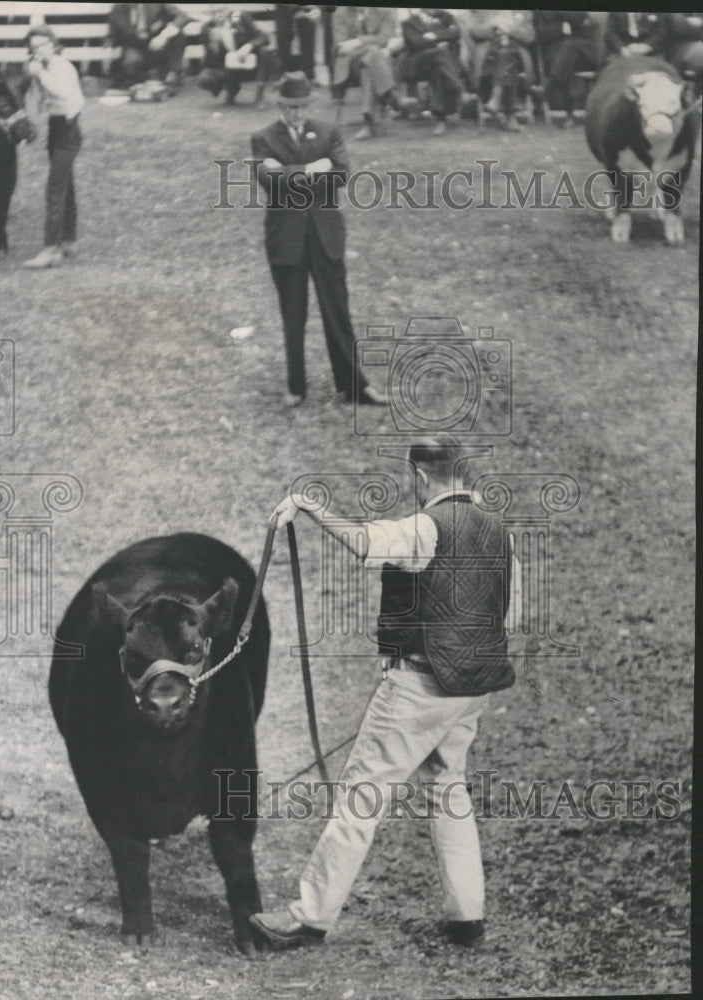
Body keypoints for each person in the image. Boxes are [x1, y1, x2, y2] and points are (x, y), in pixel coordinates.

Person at [250, 439, 520, 949]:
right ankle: (467, 916)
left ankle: (310, 916)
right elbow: (512, 610)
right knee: (449, 785)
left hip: (419, 684)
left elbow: (363, 542)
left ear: (421, 478)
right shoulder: (500, 532)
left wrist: (310, 506)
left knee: (359, 797)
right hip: (474, 687)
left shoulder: (426, 526)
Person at [250, 72, 386, 407]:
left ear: (309, 104)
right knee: (293, 313)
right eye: (290, 107)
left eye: (302, 106)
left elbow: (340, 174)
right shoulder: (263, 138)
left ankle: (354, 385)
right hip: (286, 239)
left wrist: (289, 171)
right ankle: (296, 387)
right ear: (281, 105)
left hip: (325, 235)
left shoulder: (328, 131)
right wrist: (313, 169)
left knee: (337, 311)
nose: (296, 113)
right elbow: (269, 181)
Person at [22, 27, 84, 270]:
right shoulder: (43, 66)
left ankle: (50, 249)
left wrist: (41, 75)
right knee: (65, 185)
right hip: (56, 127)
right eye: (34, 47)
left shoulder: (61, 66)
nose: (39, 50)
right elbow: (40, 100)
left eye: (43, 45)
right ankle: (68, 240)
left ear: (53, 44)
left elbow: (64, 93)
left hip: (68, 129)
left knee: (55, 188)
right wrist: (35, 78)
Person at [398, 8, 474, 135]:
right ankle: (461, 91)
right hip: (419, 64)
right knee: (441, 53)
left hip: (442, 64)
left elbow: (456, 33)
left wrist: (435, 36)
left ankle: (441, 119)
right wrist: (440, 41)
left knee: (439, 68)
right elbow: (416, 43)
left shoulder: (446, 16)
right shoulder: (409, 22)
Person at [332, 6, 402, 139]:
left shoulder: (384, 10)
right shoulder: (341, 13)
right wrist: (370, 44)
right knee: (373, 52)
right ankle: (392, 96)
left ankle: (368, 123)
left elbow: (384, 39)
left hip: (372, 64)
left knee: (368, 66)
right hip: (349, 65)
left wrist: (358, 41)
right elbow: (342, 47)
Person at [470, 10, 535, 131]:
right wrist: (495, 26)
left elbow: (529, 36)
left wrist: (510, 30)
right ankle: (510, 117)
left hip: (517, 56)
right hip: (490, 59)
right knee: (506, 58)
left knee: (507, 56)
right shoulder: (483, 11)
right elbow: (475, 32)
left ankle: (496, 98)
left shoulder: (523, 12)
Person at [198, 6, 274, 108]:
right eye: (214, 12)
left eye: (221, 11)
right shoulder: (206, 28)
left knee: (266, 52)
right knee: (205, 78)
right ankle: (232, 89)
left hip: (250, 63)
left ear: (228, 9)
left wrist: (248, 46)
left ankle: (259, 94)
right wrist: (214, 46)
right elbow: (210, 63)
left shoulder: (240, 18)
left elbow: (263, 37)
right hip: (228, 67)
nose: (218, 15)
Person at [533, 12, 599, 127]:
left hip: (583, 54)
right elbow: (541, 33)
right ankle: (569, 114)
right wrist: (561, 28)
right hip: (557, 54)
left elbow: (584, 22)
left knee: (569, 48)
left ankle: (548, 89)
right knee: (565, 59)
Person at [107, 3, 189, 90]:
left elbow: (183, 17)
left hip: (158, 44)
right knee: (132, 63)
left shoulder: (158, 4)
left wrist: (163, 36)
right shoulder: (118, 7)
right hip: (134, 45)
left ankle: (172, 73)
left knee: (178, 34)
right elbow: (112, 34)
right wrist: (110, 49)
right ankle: (145, 78)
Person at [275, 4, 321, 81]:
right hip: (285, 9)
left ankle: (309, 76)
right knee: (284, 40)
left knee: (308, 41)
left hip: (307, 10)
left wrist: (314, 8)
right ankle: (284, 75)